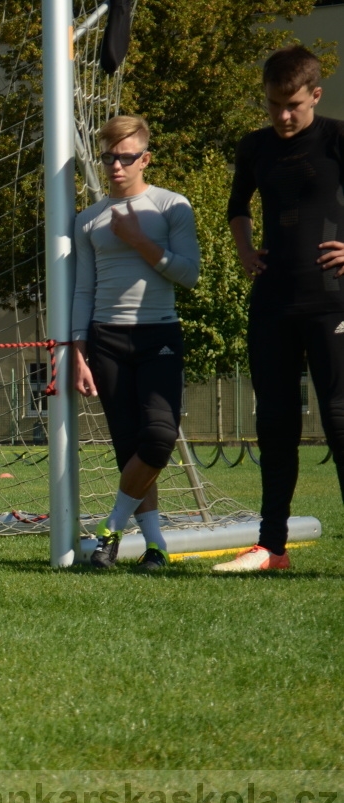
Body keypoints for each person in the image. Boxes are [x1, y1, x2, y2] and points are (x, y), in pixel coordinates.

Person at [216, 44, 344, 572]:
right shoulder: (254, 147)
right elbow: (236, 207)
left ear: (315, 94)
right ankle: (272, 546)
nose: (283, 116)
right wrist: (246, 251)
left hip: (331, 299)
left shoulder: (338, 138)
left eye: (293, 104)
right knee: (274, 421)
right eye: (273, 105)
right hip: (272, 302)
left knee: (339, 420)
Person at [71, 115, 201, 571]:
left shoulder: (171, 206)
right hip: (106, 340)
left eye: (126, 157)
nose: (116, 166)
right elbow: (83, 290)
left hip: (159, 333)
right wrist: (78, 351)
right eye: (109, 157)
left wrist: (140, 241)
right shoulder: (88, 219)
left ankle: (110, 530)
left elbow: (189, 273)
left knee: (159, 439)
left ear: (145, 158)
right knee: (130, 450)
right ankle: (156, 546)